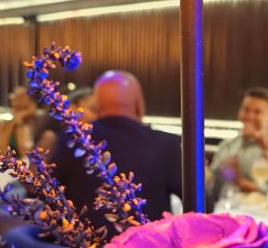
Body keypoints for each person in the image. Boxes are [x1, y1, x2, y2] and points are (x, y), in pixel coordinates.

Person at [50, 70, 182, 231]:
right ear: (139, 104)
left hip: (83, 244)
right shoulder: (166, 145)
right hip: (147, 245)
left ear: (97, 106)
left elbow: (48, 193)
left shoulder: (72, 139)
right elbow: (199, 203)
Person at [209, 87, 268, 201]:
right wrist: (227, 174)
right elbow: (213, 184)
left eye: (257, 112)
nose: (249, 116)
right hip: (228, 208)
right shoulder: (227, 146)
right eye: (246, 110)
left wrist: (241, 182)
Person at [33, 86, 98, 154]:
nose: (98, 116)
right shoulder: (50, 137)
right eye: (93, 109)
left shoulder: (87, 140)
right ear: (73, 108)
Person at [0, 86, 38, 158]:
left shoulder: (35, 123)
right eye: (15, 97)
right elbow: (1, 150)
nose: (18, 101)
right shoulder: (4, 124)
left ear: (31, 102)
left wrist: (20, 119)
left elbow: (25, 152)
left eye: (21, 97)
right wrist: (13, 123)